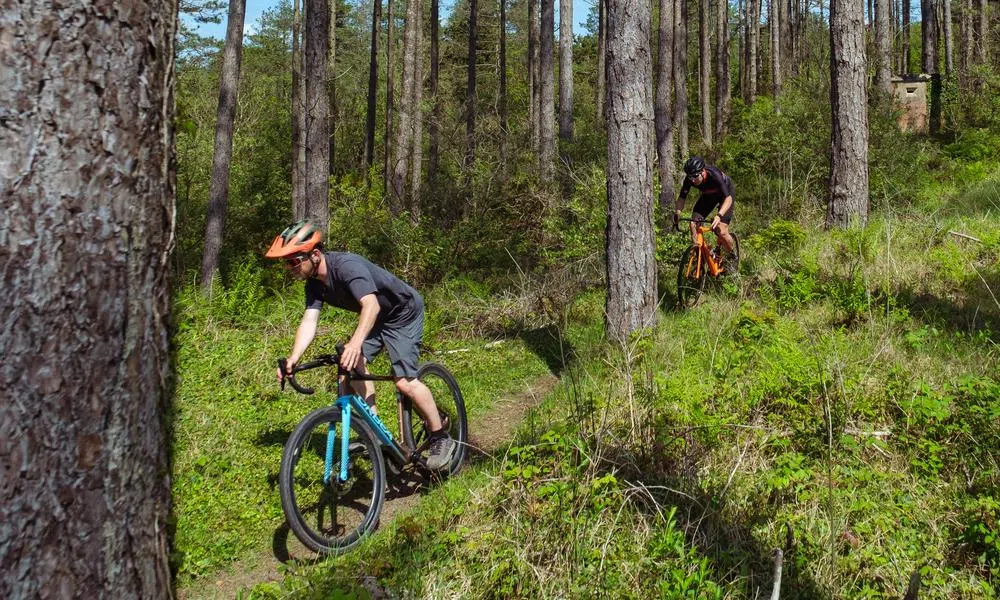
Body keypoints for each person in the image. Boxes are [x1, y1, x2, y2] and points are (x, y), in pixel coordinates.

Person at [266, 219, 456, 470]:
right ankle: (375, 433)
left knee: (403, 381)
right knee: (351, 368)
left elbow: (372, 305)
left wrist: (355, 344)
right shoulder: (314, 284)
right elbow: (310, 321)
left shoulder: (346, 266)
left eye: (293, 261)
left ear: (314, 255)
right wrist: (293, 358)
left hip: (403, 312)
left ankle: (440, 436)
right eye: (286, 263)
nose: (289, 268)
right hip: (378, 317)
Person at [673, 156, 737, 257]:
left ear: (703, 171)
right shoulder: (689, 179)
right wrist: (678, 213)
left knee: (721, 231)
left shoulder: (714, 176)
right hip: (709, 195)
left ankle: (732, 256)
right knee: (693, 224)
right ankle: (699, 257)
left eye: (695, 176)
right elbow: (682, 198)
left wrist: (719, 215)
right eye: (690, 177)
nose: (692, 180)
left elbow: (728, 199)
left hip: (726, 195)